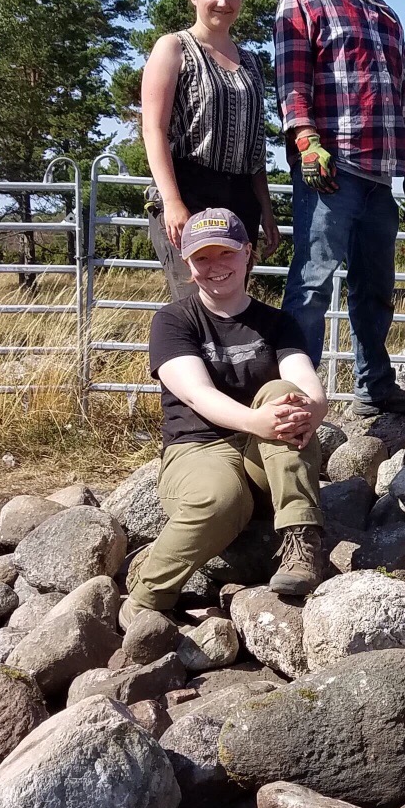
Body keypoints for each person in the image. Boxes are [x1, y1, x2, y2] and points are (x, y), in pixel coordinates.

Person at [124, 208, 331, 629]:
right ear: (188, 263)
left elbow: (306, 385)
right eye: (202, 257)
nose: (215, 265)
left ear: (247, 253)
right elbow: (196, 393)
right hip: (197, 448)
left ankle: (301, 541)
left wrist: (311, 408)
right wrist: (257, 422)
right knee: (221, 498)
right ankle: (145, 603)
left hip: (267, 455)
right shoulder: (173, 320)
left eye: (226, 253)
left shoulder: (278, 322)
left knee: (284, 393)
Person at [274, 0, 405, 417]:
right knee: (312, 285)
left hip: (380, 176)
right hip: (331, 170)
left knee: (376, 289)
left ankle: (375, 388)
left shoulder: (388, 16)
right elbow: (292, 83)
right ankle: (296, 398)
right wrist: (305, 139)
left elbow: (401, 98)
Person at [140, 0, 279, 299]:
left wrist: (265, 209)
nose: (223, 2)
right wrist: (172, 201)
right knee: (194, 302)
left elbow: (255, 147)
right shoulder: (174, 48)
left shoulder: (251, 62)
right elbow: (153, 129)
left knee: (232, 304)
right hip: (189, 189)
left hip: (240, 198)